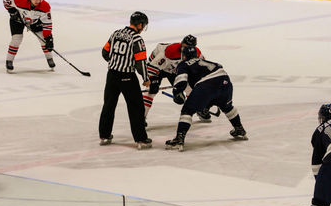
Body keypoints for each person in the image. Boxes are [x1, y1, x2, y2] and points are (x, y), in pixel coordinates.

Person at [165, 46, 247, 151]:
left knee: (187, 110)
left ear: (184, 56)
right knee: (227, 106)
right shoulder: (206, 61)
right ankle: (239, 128)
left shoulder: (183, 64)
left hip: (207, 85)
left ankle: (179, 138)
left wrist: (176, 92)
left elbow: (181, 81)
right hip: (225, 81)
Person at [99, 11, 152, 150]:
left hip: (111, 75)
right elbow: (140, 62)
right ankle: (141, 139)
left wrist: (115, 62)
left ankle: (104, 136)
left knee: (108, 105)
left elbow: (105, 52)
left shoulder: (116, 33)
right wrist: (146, 78)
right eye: (143, 25)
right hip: (127, 77)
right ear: (139, 24)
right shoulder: (137, 40)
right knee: (136, 108)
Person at [143, 35, 209, 124]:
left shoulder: (196, 54)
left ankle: (199, 108)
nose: (184, 50)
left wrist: (178, 90)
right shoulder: (170, 51)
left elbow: (201, 69)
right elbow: (151, 67)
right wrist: (153, 80)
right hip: (159, 68)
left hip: (174, 70)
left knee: (190, 88)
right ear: (181, 44)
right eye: (184, 46)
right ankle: (141, 117)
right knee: (151, 91)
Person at [3, 0, 55, 72]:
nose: (37, 0)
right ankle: (9, 60)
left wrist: (49, 38)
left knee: (44, 40)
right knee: (17, 39)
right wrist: (11, 10)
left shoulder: (45, 6)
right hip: (17, 20)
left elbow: (47, 24)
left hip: (35, 22)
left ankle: (49, 59)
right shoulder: (20, 0)